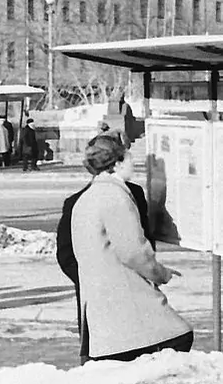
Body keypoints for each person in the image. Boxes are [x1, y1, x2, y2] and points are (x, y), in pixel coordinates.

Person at [68, 134, 191, 363]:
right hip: (126, 304)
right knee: (179, 337)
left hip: (103, 306)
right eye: (129, 159)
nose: (133, 165)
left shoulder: (86, 199)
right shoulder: (115, 196)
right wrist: (161, 273)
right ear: (117, 162)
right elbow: (133, 251)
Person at [57, 136, 153, 364]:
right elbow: (66, 255)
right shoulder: (76, 202)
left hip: (135, 293)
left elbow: (143, 240)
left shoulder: (134, 194)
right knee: (100, 365)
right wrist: (95, 278)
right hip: (99, 297)